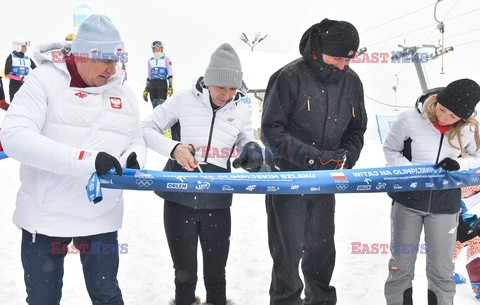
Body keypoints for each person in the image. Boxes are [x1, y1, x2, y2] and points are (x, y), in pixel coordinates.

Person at [0, 14, 146, 305]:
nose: (113, 69)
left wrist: (133, 159)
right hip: (45, 219)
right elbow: (14, 137)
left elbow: (135, 137)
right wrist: (86, 159)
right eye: (105, 60)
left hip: (100, 216)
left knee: (107, 295)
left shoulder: (123, 91)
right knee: (43, 298)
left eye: (117, 60)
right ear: (81, 55)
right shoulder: (44, 80)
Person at [142, 43, 264, 305]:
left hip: (217, 201)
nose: (226, 95)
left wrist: (251, 151)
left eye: (232, 89)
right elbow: (147, 128)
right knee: (184, 278)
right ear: (208, 81)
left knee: (217, 278)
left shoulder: (240, 108)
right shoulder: (182, 100)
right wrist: (174, 148)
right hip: (179, 199)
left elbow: (244, 141)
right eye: (221, 87)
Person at [261, 18, 367, 305]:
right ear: (318, 50)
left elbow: (356, 129)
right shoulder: (289, 77)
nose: (344, 65)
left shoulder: (352, 82)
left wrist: (348, 155)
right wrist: (312, 158)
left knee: (321, 252)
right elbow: (271, 131)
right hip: (288, 180)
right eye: (338, 58)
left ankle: (321, 301)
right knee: (287, 252)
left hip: (325, 182)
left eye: (349, 59)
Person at [383, 78, 480, 305]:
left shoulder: (469, 130)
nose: (444, 117)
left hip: (445, 207)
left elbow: (476, 158)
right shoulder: (409, 119)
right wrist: (410, 172)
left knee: (442, 271)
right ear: (436, 101)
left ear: (464, 118)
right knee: (400, 267)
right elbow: (390, 149)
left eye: (453, 116)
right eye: (442, 109)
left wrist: (459, 165)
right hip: (408, 202)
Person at [143, 40, 173, 109]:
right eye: (155, 49)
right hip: (152, 85)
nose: (157, 50)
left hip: (162, 84)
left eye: (159, 48)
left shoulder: (166, 59)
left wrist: (171, 87)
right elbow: (149, 76)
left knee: (161, 107)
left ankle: (163, 119)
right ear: (153, 50)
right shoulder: (150, 60)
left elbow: (170, 74)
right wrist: (146, 89)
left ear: (161, 49)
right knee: (154, 108)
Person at [4, 38, 37, 102]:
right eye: (24, 46)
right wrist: (19, 78)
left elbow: (36, 70)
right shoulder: (11, 57)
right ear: (18, 47)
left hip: (26, 86)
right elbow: (7, 74)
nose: (26, 48)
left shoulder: (28, 59)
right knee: (15, 106)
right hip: (14, 86)